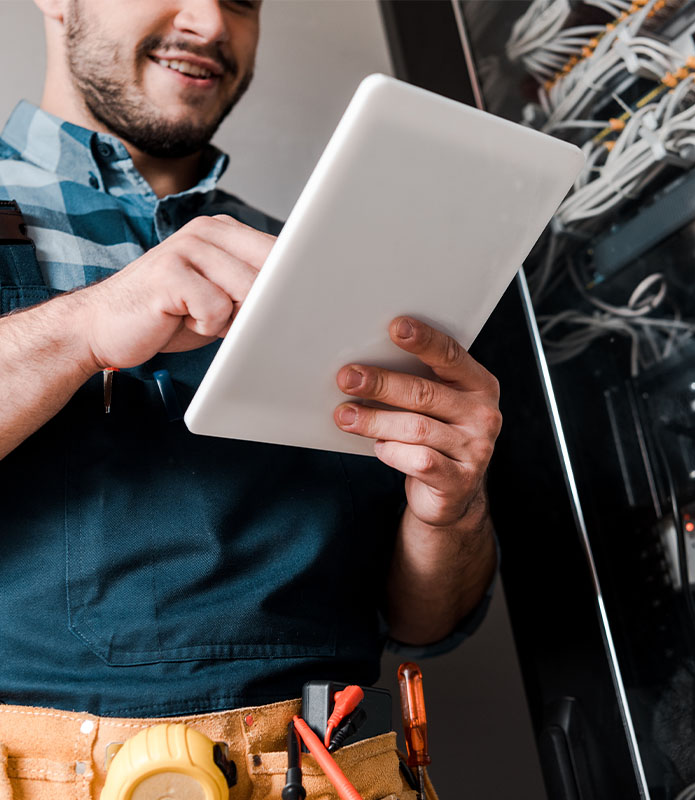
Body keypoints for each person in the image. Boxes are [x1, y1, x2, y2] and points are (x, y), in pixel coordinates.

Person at [0, 0, 500, 796]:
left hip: (342, 773)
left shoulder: (322, 265)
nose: (209, 20)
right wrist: (82, 331)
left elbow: (423, 622)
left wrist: (454, 504)